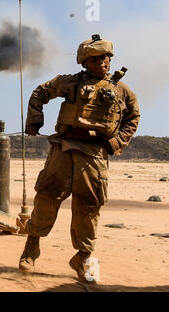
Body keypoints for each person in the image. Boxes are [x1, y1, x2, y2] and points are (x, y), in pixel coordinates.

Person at [18, 34, 140, 283]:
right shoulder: (71, 83)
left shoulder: (122, 90)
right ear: (85, 63)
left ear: (110, 59)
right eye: (94, 60)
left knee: (89, 207)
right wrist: (34, 121)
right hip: (64, 148)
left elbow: (133, 117)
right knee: (46, 197)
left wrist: (115, 142)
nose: (100, 63)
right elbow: (40, 92)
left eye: (104, 58)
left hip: (94, 154)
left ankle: (83, 257)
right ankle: (31, 247)